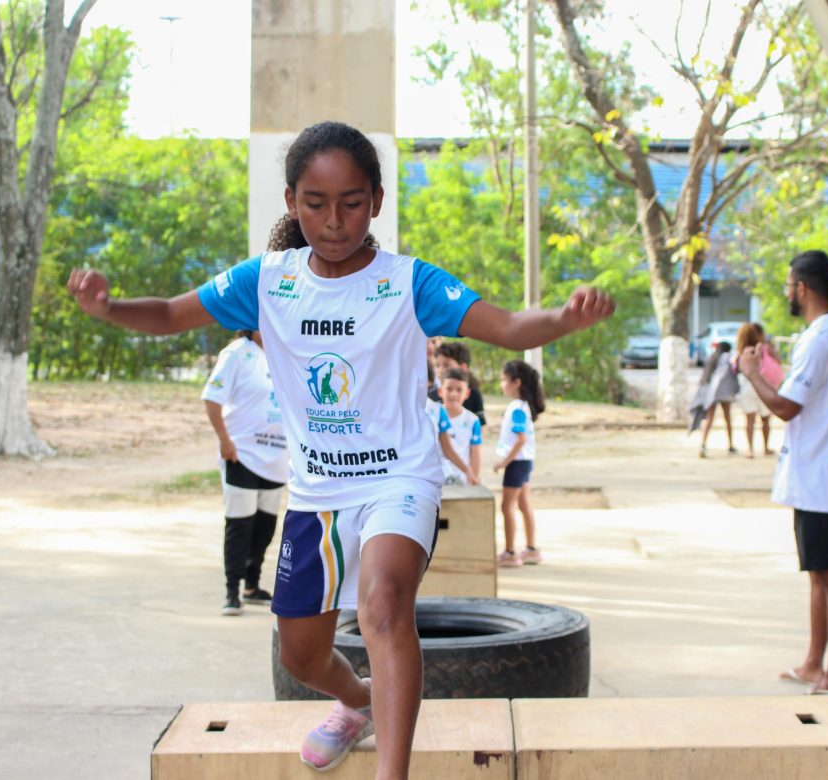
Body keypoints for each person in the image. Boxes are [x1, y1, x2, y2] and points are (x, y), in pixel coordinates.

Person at [66, 120, 614, 779]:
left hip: (398, 479)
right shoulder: (266, 280)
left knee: (384, 605)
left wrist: (563, 319)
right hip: (319, 491)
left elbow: (508, 325)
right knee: (299, 654)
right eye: (316, 203)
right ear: (292, 202)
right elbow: (169, 313)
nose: (333, 221)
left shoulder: (408, 283)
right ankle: (357, 702)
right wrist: (109, 308)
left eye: (351, 202)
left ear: (376, 201)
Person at [738, 250, 828, 702]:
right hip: (819, 474)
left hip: (823, 474)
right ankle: (814, 663)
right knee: (817, 572)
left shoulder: (822, 339)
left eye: (789, 285)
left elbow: (786, 406)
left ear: (803, 288)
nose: (788, 292)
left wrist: (752, 372)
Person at [202, 330, 288, 616]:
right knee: (240, 525)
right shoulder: (237, 353)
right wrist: (224, 440)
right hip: (242, 454)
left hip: (276, 457)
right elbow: (212, 399)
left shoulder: (283, 350)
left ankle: (253, 584)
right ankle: (232, 590)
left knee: (265, 526)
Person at [492, 359, 545, 567]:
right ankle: (531, 549)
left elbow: (521, 439)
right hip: (524, 461)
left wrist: (503, 462)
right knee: (524, 504)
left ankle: (510, 552)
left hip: (517, 463)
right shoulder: (522, 407)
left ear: (517, 382)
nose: (502, 384)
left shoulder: (517, 409)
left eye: (504, 380)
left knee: (507, 506)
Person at [423, 361, 476, 485]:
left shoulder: (437, 410)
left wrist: (469, 471)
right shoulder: (400, 409)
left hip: (434, 474)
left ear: (430, 382)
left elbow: (447, 449)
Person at [733, 322, 776, 458]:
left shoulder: (741, 352)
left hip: (746, 387)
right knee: (765, 419)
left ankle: (750, 449)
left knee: (749, 420)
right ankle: (766, 448)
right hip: (760, 385)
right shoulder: (760, 349)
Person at [690, 340, 739, 458]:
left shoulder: (712, 358)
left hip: (712, 392)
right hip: (724, 392)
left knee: (709, 418)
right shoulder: (727, 357)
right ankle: (730, 445)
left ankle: (703, 444)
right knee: (727, 418)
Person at [437, 367, 483, 486]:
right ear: (440, 391)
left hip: (461, 481)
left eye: (459, 390)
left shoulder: (473, 421)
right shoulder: (432, 415)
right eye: (449, 389)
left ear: (467, 393)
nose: (453, 394)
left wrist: (473, 477)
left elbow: (475, 454)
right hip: (436, 481)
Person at [429, 341, 487, 425]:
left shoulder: (474, 395)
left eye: (446, 365)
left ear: (463, 367)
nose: (440, 370)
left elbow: (480, 427)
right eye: (437, 365)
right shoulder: (432, 395)